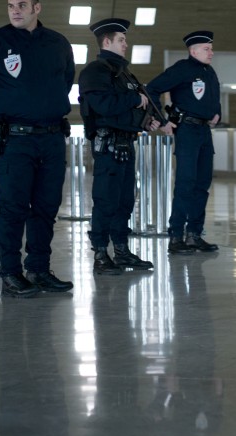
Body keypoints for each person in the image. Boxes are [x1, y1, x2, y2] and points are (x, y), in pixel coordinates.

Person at [0, 0, 76, 297]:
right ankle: (11, 272)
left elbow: (66, 81)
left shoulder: (58, 43)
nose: (15, 11)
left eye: (22, 6)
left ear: (36, 8)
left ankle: (39, 269)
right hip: (15, 140)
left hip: (53, 138)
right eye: (11, 7)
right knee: (14, 207)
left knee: (46, 206)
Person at [78, 18, 160, 274]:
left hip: (127, 142)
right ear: (106, 42)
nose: (126, 44)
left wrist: (145, 122)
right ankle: (101, 254)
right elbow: (103, 106)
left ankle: (122, 250)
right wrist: (134, 99)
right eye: (121, 40)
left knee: (125, 201)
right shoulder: (96, 71)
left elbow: (130, 109)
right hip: (108, 144)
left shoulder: (124, 73)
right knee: (106, 200)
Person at [146, 30, 222, 254]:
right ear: (193, 50)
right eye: (207, 49)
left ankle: (194, 234)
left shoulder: (210, 72)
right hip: (187, 130)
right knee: (186, 185)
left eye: (211, 48)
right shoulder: (182, 69)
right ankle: (176, 236)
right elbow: (152, 89)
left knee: (202, 184)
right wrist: (162, 120)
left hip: (204, 132)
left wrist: (217, 113)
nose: (211, 52)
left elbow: (213, 98)